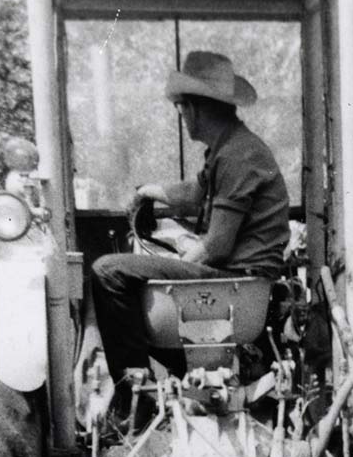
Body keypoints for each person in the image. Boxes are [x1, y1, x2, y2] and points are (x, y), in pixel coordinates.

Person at [76, 50, 290, 421]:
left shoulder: (237, 155)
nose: (180, 115)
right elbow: (197, 193)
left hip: (235, 280)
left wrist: (172, 268)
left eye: (181, 106)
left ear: (194, 109)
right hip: (238, 278)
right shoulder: (228, 148)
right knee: (142, 278)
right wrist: (149, 191)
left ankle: (134, 397)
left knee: (110, 273)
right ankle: (176, 384)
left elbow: (217, 247)